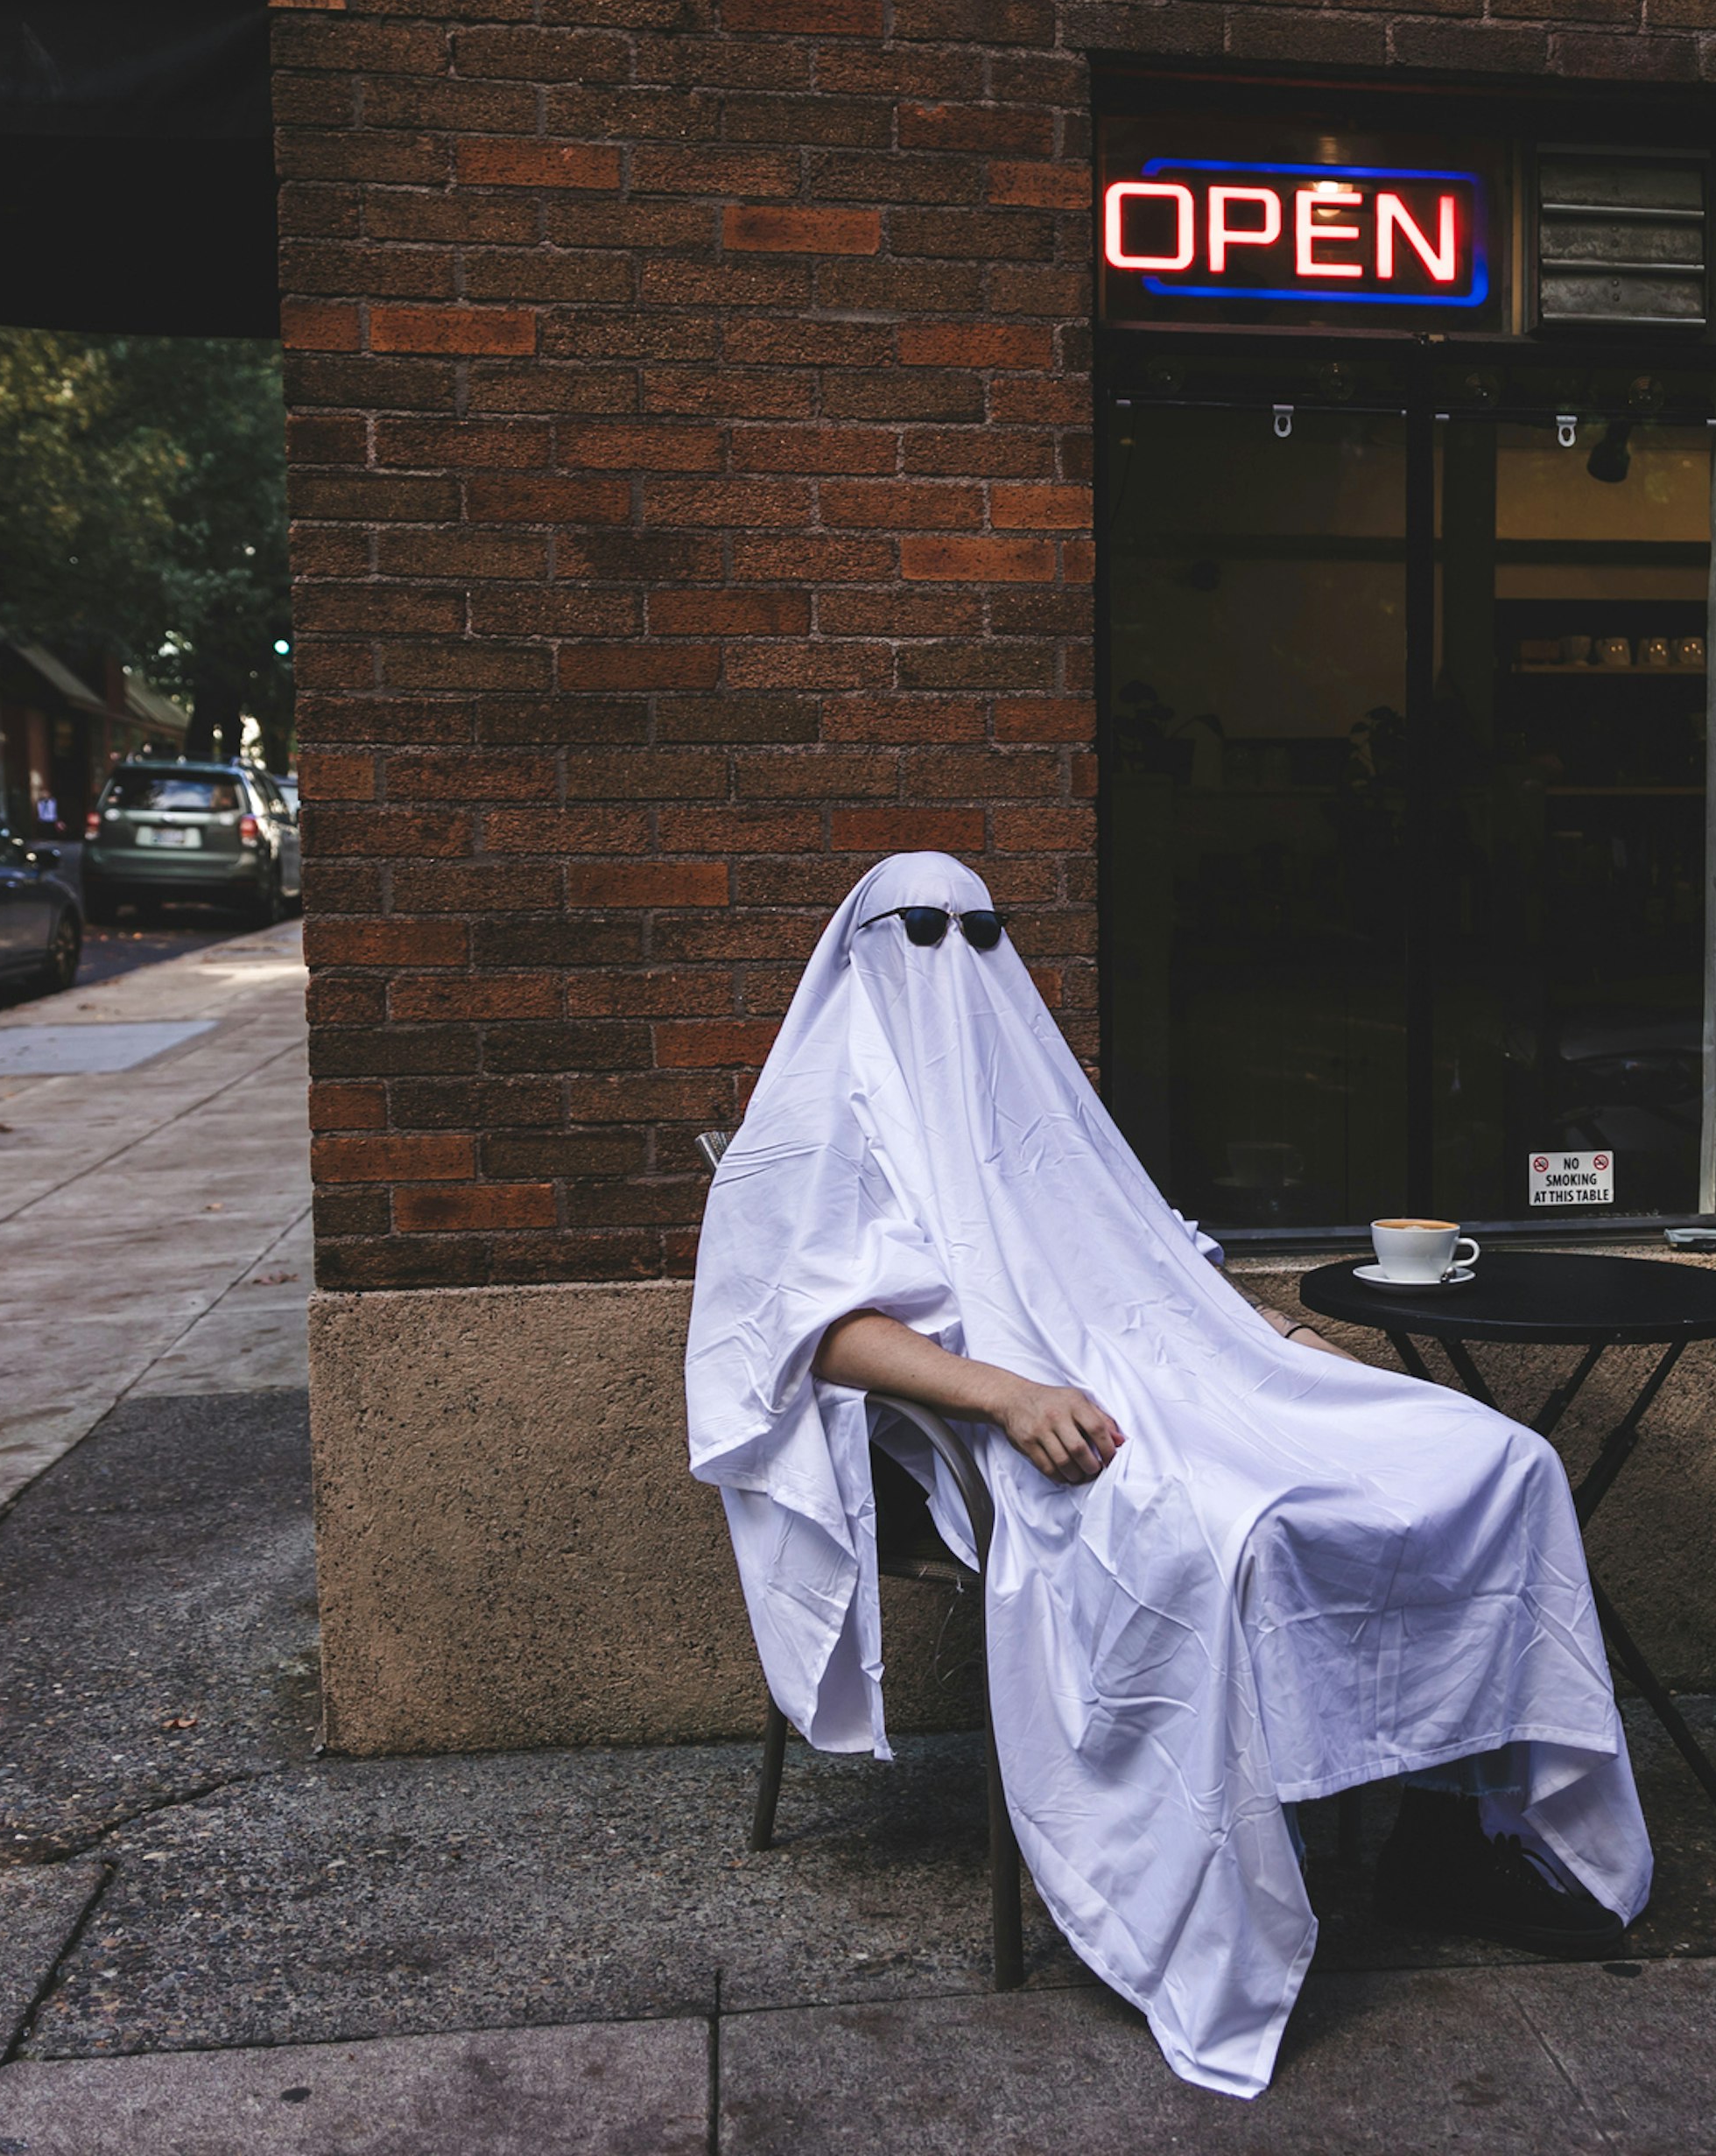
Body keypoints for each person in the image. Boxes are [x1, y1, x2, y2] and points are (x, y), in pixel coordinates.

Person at [685, 853, 1649, 2096]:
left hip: (1191, 1379)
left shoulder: (1024, 1089)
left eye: (983, 931)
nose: (959, 957)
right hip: (1023, 1418)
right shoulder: (811, 1128)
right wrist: (1010, 1395)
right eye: (926, 931)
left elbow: (1152, 1261)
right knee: (1217, 1535)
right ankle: (1222, 1887)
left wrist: (1298, 1359)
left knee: (1495, 1459)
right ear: (868, 947)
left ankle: (1467, 1823)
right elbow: (805, 1329)